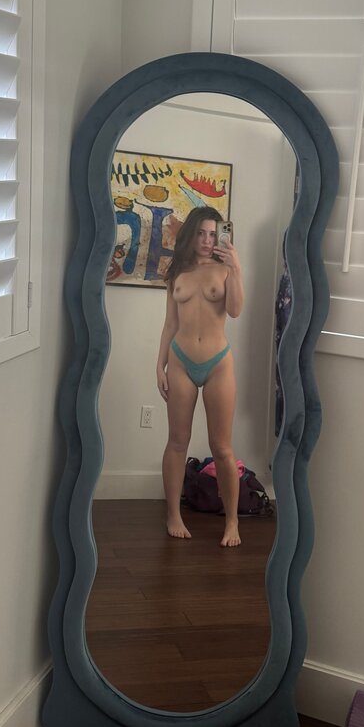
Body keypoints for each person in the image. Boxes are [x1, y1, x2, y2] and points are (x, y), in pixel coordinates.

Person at [156, 206, 244, 547]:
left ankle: (232, 521)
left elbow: (235, 310)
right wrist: (159, 365)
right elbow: (170, 324)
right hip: (180, 361)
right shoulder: (177, 271)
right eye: (201, 233)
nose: (207, 240)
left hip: (218, 363)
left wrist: (235, 268)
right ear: (191, 235)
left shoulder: (225, 269)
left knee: (222, 447)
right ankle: (173, 514)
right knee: (177, 441)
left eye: (213, 234)